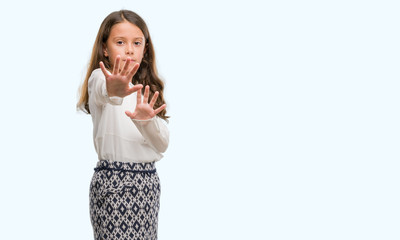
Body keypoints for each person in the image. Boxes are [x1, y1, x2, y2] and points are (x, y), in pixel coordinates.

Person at [77, 10, 169, 240]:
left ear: (145, 49)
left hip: (147, 185)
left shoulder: (147, 88)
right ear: (105, 49)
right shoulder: (100, 77)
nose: (129, 49)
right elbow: (104, 92)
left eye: (137, 43)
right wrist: (114, 90)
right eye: (120, 42)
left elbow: (162, 144)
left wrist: (146, 120)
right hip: (113, 185)